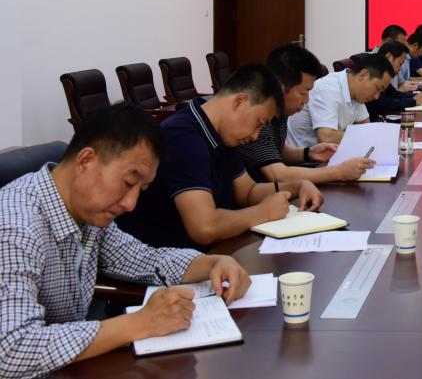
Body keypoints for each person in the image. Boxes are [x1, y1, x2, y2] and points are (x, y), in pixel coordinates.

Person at [0, 103, 251, 378]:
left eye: (141, 189)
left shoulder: (87, 215)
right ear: (85, 160)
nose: (131, 204)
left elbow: (142, 258)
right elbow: (11, 350)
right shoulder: (15, 226)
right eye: (129, 183)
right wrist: (140, 323)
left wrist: (212, 263)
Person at [117, 64, 324, 250]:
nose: (255, 136)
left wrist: (296, 187)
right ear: (239, 101)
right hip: (171, 263)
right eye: (259, 123)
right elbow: (204, 227)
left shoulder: (221, 133)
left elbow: (248, 192)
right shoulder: (182, 138)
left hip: (217, 251)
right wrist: (264, 212)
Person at [238, 45, 375, 185]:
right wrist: (339, 172)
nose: (307, 100)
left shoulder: (281, 111)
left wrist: (309, 153)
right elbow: (278, 175)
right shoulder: (259, 116)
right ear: (280, 86)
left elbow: (278, 151)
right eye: (304, 92)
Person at [286, 53, 393, 147]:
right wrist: (365, 135)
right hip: (303, 158)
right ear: (363, 75)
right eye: (377, 88)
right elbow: (326, 137)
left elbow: (365, 127)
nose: (376, 97)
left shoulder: (357, 92)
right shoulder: (327, 88)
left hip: (329, 154)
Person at [365, 41, 422, 120]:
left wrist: (421, 96)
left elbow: (395, 94)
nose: (400, 69)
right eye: (400, 63)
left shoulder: (383, 74)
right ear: (389, 57)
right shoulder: (373, 72)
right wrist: (413, 101)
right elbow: (382, 104)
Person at [372, 24, 417, 93]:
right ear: (389, 41)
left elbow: (402, 83)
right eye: (401, 44)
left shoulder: (396, 59)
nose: (403, 47)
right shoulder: (371, 62)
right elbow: (380, 96)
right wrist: (399, 91)